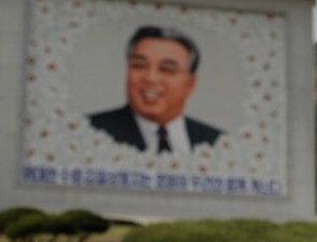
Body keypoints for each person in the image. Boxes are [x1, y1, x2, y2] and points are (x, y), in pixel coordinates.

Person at [88, 25, 222, 154]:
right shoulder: (91, 132)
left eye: (166, 69)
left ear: (190, 84)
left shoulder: (217, 143)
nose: (151, 78)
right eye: (139, 66)